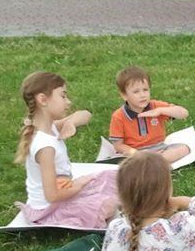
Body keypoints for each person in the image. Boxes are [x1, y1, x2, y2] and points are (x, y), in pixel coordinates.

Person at [14, 71, 119, 228]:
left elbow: (85, 115)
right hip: (50, 209)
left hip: (64, 191)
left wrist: (71, 123)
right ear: (43, 99)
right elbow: (52, 195)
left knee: (116, 175)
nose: (68, 102)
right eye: (63, 96)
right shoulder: (45, 147)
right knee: (107, 204)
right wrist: (80, 185)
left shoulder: (50, 127)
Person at [109, 66, 190, 164]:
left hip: (160, 148)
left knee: (184, 148)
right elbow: (118, 145)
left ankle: (155, 162)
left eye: (145, 90)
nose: (142, 95)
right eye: (136, 91)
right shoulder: (118, 116)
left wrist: (160, 111)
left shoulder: (156, 106)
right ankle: (155, 163)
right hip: (136, 152)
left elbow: (184, 113)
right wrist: (136, 153)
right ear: (124, 95)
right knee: (127, 161)